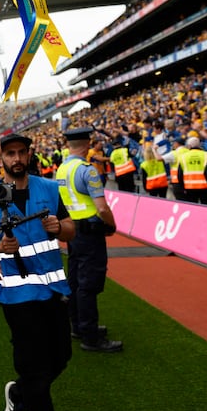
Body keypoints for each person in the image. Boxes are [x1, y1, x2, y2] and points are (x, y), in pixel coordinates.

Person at [0, 133, 74, 411]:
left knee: (61, 357)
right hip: (17, 293)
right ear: (0, 159)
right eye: (10, 154)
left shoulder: (49, 188)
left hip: (53, 288)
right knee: (36, 370)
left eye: (21, 152)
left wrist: (58, 228)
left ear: (29, 155)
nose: (16, 159)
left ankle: (18, 395)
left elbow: (70, 229)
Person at [56, 128, 122, 353]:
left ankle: (78, 327)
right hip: (89, 231)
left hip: (72, 230)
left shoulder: (62, 168)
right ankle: (90, 336)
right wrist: (111, 225)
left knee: (75, 280)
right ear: (86, 145)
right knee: (89, 284)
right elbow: (102, 207)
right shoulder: (87, 170)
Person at [178, 137, 207, 204]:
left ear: (189, 146)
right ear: (199, 145)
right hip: (205, 187)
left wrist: (182, 187)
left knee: (193, 208)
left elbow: (179, 174)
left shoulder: (183, 157)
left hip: (189, 187)